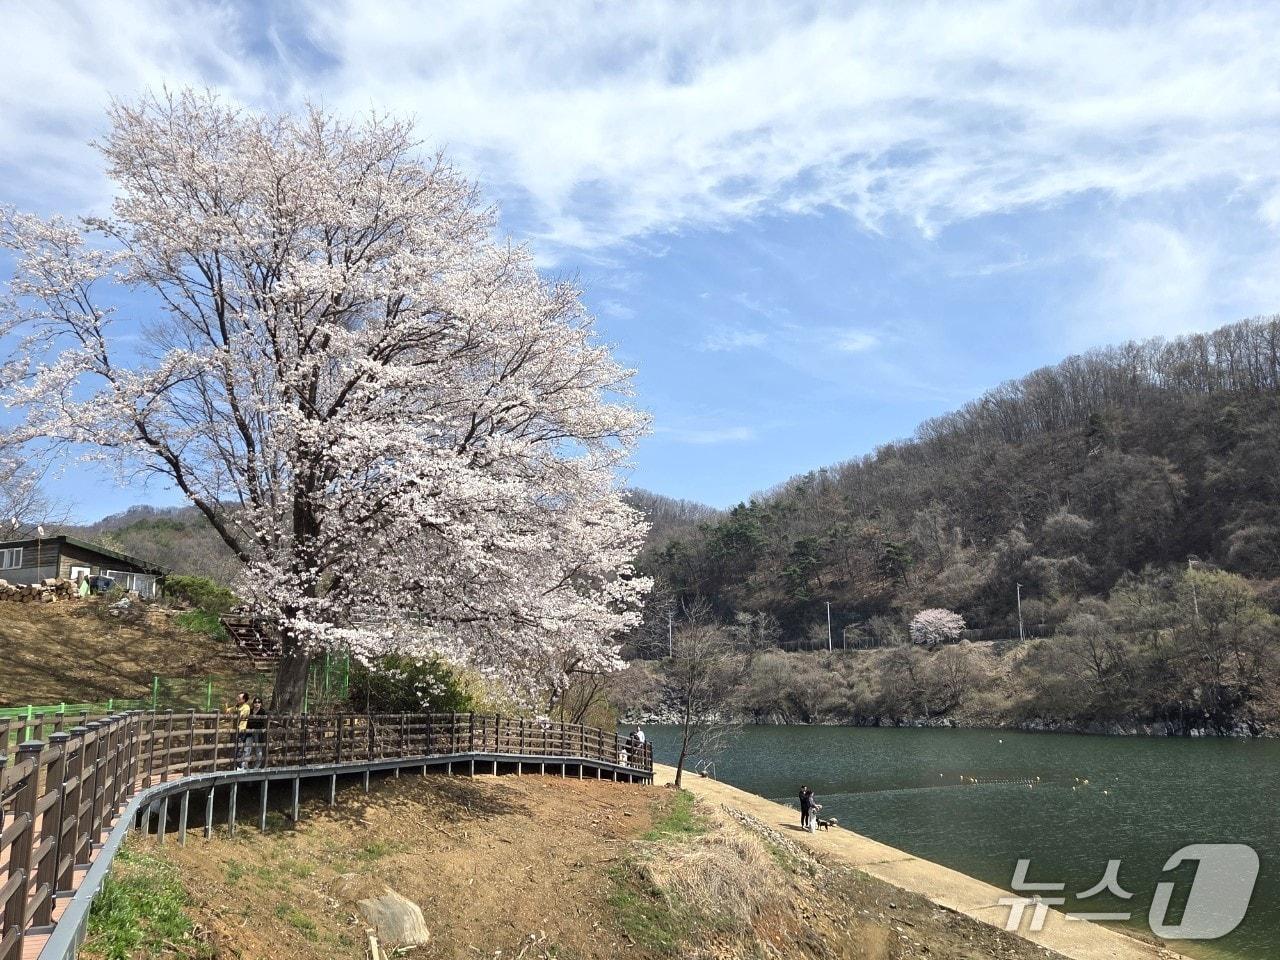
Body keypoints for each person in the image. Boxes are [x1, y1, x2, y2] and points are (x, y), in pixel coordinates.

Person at [224, 692, 251, 769]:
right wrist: (226, 706)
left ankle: (238, 766)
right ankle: (233, 765)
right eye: (237, 697)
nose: (237, 699)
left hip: (241, 730)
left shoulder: (246, 707)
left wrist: (233, 714)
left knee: (238, 748)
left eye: (239, 697)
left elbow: (240, 716)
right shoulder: (237, 706)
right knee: (233, 748)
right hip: (234, 730)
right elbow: (228, 711)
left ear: (244, 699)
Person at [246, 696, 267, 768]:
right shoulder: (250, 711)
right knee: (247, 748)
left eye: (259, 702)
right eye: (255, 702)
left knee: (258, 748)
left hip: (258, 732)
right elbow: (247, 721)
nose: (257, 703)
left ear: (261, 704)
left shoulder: (262, 711)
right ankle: (245, 766)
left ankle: (257, 766)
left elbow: (262, 723)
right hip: (249, 731)